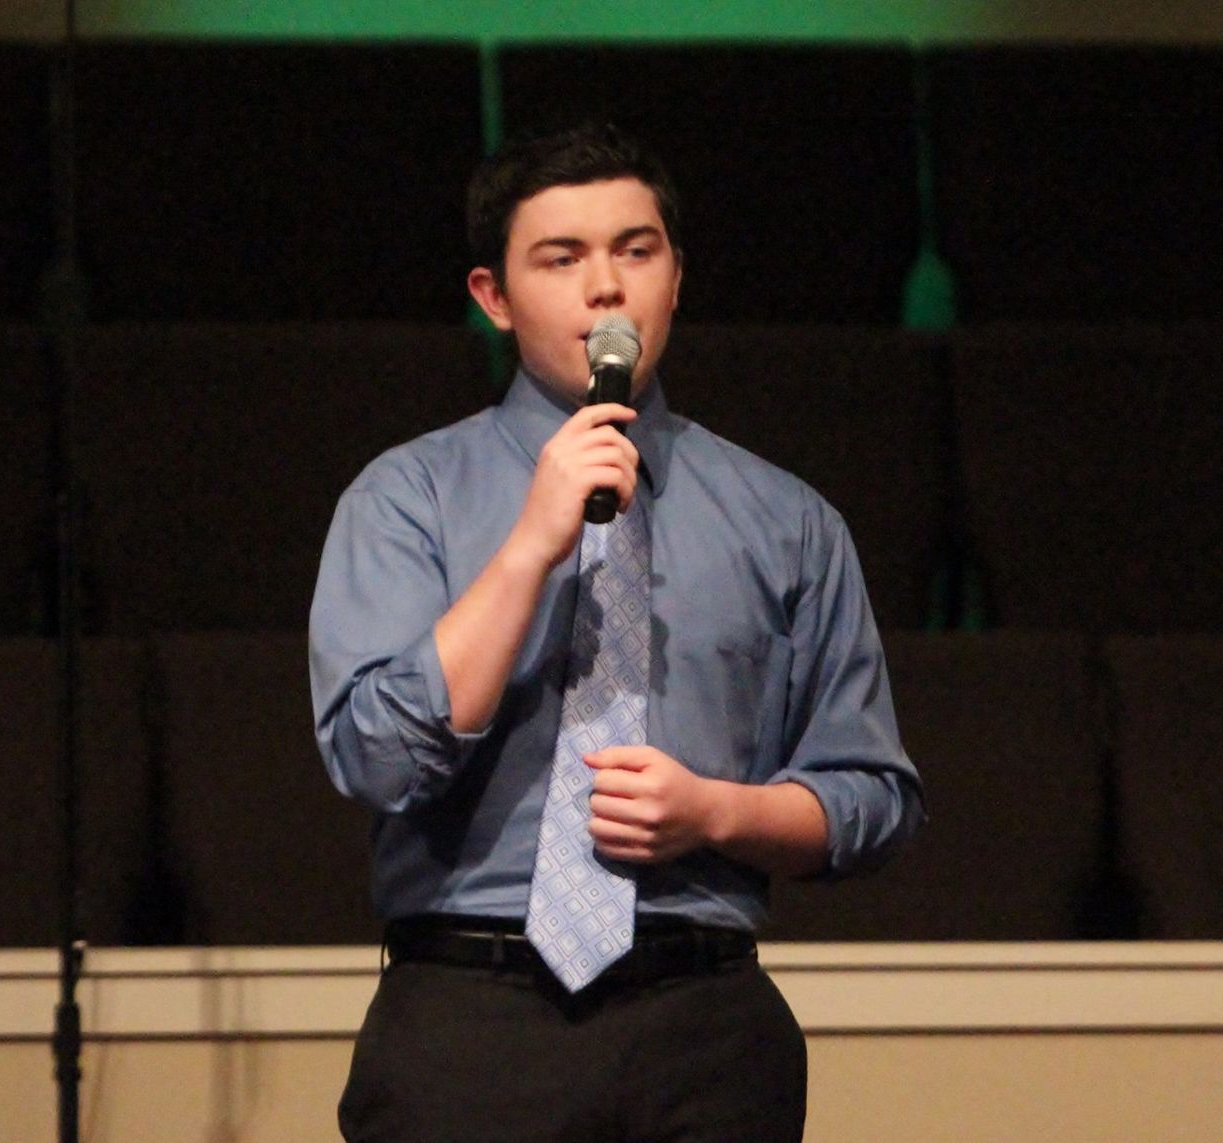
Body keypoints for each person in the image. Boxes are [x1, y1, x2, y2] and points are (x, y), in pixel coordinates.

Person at [310, 122, 924, 1143]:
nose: (606, 289)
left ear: (675, 276)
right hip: (470, 1013)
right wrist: (528, 547)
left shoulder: (788, 521)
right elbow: (376, 759)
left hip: (704, 1025)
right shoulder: (407, 497)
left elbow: (874, 800)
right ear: (493, 297)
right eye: (561, 259)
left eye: (636, 251)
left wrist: (716, 812)